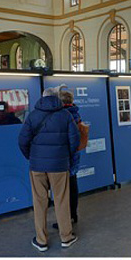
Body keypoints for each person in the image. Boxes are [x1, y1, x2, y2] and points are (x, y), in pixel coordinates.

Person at [18, 87, 80, 252]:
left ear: (43, 98)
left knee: (39, 202)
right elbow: (75, 140)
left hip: (37, 166)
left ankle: (41, 240)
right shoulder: (65, 115)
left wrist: (31, 157)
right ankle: (66, 237)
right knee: (61, 200)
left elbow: (22, 140)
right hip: (59, 166)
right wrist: (65, 156)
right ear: (56, 98)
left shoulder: (33, 115)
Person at [55, 89, 82, 226]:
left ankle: (65, 219)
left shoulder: (62, 115)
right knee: (73, 185)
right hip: (75, 155)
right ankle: (73, 214)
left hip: (64, 156)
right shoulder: (75, 113)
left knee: (63, 190)